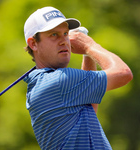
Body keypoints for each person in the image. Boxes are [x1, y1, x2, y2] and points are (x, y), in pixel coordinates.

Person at [23, 6, 133, 150]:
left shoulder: (44, 83)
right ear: (33, 44)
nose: (64, 41)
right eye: (54, 35)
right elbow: (123, 73)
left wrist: (87, 55)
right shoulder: (59, 81)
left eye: (65, 33)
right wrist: (89, 45)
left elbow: (89, 106)